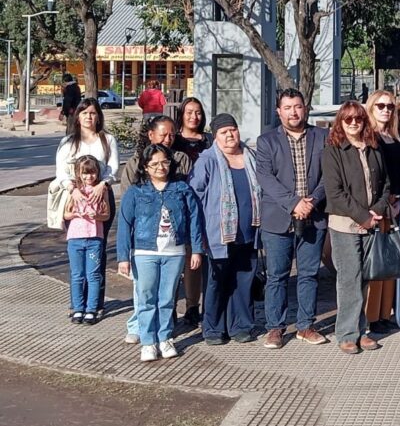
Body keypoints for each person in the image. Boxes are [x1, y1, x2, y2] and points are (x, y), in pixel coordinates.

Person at [256, 89, 329, 350]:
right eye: (287, 107)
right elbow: (265, 178)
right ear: (279, 111)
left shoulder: (322, 136)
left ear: (305, 108)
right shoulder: (266, 141)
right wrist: (294, 203)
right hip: (278, 218)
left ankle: (305, 325)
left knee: (309, 273)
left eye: (297, 107)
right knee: (277, 275)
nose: (293, 112)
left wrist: (311, 201)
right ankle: (275, 327)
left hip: (314, 213)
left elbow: (329, 175)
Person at [118, 144, 204, 361]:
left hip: (174, 252)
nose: (160, 167)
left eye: (164, 162)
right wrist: (123, 257)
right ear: (145, 167)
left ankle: (165, 338)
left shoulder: (182, 189)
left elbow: (195, 220)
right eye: (154, 163)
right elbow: (125, 225)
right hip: (144, 252)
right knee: (146, 298)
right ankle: (148, 342)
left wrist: (196, 250)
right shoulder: (136, 192)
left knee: (166, 299)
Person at [321, 101, 392, 354]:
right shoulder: (333, 150)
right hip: (345, 224)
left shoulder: (374, 147)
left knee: (364, 277)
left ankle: (361, 330)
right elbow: (335, 193)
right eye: (348, 119)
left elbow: (385, 184)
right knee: (349, 278)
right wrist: (363, 216)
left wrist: (379, 209)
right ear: (340, 122)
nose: (353, 123)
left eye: (358, 119)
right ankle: (347, 333)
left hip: (372, 220)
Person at [189, 113, 262, 345]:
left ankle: (241, 325)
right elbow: (195, 196)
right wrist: (198, 233)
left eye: (233, 129)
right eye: (224, 132)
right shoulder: (207, 160)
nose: (230, 135)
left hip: (248, 233)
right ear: (215, 136)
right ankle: (213, 328)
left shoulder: (251, 156)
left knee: (243, 281)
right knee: (216, 282)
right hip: (217, 234)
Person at [55, 98, 119, 313]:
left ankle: (95, 304)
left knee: (97, 249)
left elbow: (113, 168)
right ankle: (77, 304)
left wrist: (104, 184)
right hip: (75, 199)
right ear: (78, 116)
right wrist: (72, 189)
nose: (89, 117)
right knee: (76, 253)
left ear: (98, 116)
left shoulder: (107, 139)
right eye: (84, 113)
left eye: (93, 113)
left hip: (101, 198)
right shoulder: (68, 142)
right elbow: (61, 172)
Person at [365, 90, 400, 333]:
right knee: (374, 264)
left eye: (390, 106)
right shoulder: (368, 136)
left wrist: (396, 197)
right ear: (371, 108)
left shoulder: (393, 136)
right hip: (376, 207)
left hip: (394, 205)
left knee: (389, 263)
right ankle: (370, 317)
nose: (386, 110)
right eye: (380, 106)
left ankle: (383, 313)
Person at [63, 155, 110, 325]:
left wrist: (96, 215)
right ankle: (77, 308)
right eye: (85, 173)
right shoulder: (75, 190)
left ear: (97, 173)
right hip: (75, 239)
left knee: (93, 275)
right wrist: (76, 214)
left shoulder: (101, 190)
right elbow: (66, 213)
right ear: (78, 173)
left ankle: (91, 309)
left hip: (94, 239)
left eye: (92, 173)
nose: (89, 177)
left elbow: (107, 215)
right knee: (77, 275)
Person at [121, 116, 193, 187]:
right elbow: (127, 193)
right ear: (151, 135)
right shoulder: (135, 162)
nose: (167, 140)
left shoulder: (182, 159)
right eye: (163, 135)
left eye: (171, 135)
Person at [173, 97, 213, 164]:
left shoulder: (210, 139)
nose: (194, 117)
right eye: (189, 113)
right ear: (181, 115)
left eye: (198, 113)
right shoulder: (173, 140)